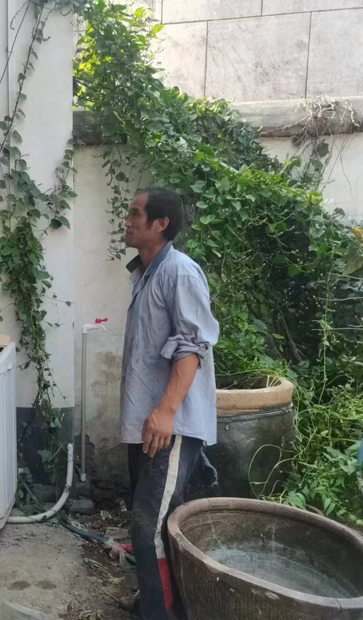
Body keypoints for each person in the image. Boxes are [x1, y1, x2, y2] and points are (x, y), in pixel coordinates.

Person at [120, 187, 219, 620]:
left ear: (160, 224)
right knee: (153, 522)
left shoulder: (179, 272)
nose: (127, 220)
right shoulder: (147, 273)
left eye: (135, 213)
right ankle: (158, 601)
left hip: (169, 425)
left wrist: (166, 411)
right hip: (149, 423)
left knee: (150, 528)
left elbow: (193, 346)